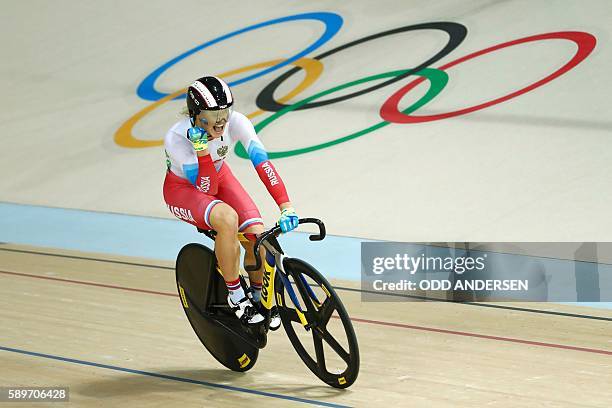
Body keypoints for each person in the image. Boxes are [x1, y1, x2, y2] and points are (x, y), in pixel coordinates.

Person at [163, 76, 298, 327]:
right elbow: (207, 188)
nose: (221, 121)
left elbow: (263, 163)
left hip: (220, 175)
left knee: (259, 237)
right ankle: (236, 296)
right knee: (227, 219)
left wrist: (286, 206)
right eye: (213, 115)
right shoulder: (177, 138)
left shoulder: (237, 122)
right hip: (184, 189)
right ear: (195, 115)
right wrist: (202, 152)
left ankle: (259, 297)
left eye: (225, 112)